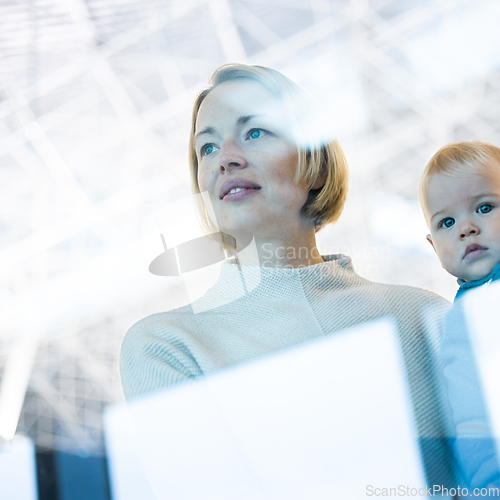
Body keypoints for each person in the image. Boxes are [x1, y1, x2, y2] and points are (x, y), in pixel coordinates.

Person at [121, 63, 456, 486]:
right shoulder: (165, 345)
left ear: (314, 165)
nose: (225, 158)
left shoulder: (424, 316)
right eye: (206, 148)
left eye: (254, 132)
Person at [419, 140, 500, 491]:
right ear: (434, 246)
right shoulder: (461, 322)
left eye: (484, 207)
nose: (466, 228)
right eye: (447, 221)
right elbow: (471, 417)